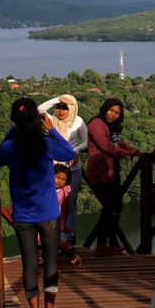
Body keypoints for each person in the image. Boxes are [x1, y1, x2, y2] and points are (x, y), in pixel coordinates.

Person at [0, 97, 75, 308]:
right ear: (36, 119)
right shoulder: (45, 144)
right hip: (48, 214)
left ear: (14, 120)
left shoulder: (10, 147)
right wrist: (50, 130)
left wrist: (14, 129)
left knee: (29, 264)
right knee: (50, 262)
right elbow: (68, 152)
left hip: (23, 217)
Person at [85, 98, 141, 254]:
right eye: (111, 110)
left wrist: (127, 147)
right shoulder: (97, 123)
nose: (113, 115)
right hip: (100, 172)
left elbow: (115, 144)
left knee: (114, 207)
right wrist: (128, 153)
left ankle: (109, 243)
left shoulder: (112, 128)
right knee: (111, 207)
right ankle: (102, 244)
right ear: (105, 108)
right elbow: (106, 146)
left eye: (117, 113)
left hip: (111, 172)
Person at [38, 94, 87, 245]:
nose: (60, 111)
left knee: (70, 204)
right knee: (50, 202)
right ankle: (48, 236)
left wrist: (75, 151)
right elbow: (38, 109)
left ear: (72, 108)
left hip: (72, 168)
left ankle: (67, 237)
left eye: (65, 107)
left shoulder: (78, 121)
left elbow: (87, 141)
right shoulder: (51, 120)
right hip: (53, 168)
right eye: (59, 107)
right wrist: (58, 99)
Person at [53, 164, 82, 266]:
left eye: (63, 179)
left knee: (55, 238)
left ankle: (70, 253)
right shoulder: (46, 188)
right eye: (57, 177)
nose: (59, 181)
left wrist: (65, 222)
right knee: (46, 238)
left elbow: (65, 207)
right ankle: (69, 252)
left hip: (58, 219)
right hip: (45, 218)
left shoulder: (64, 190)